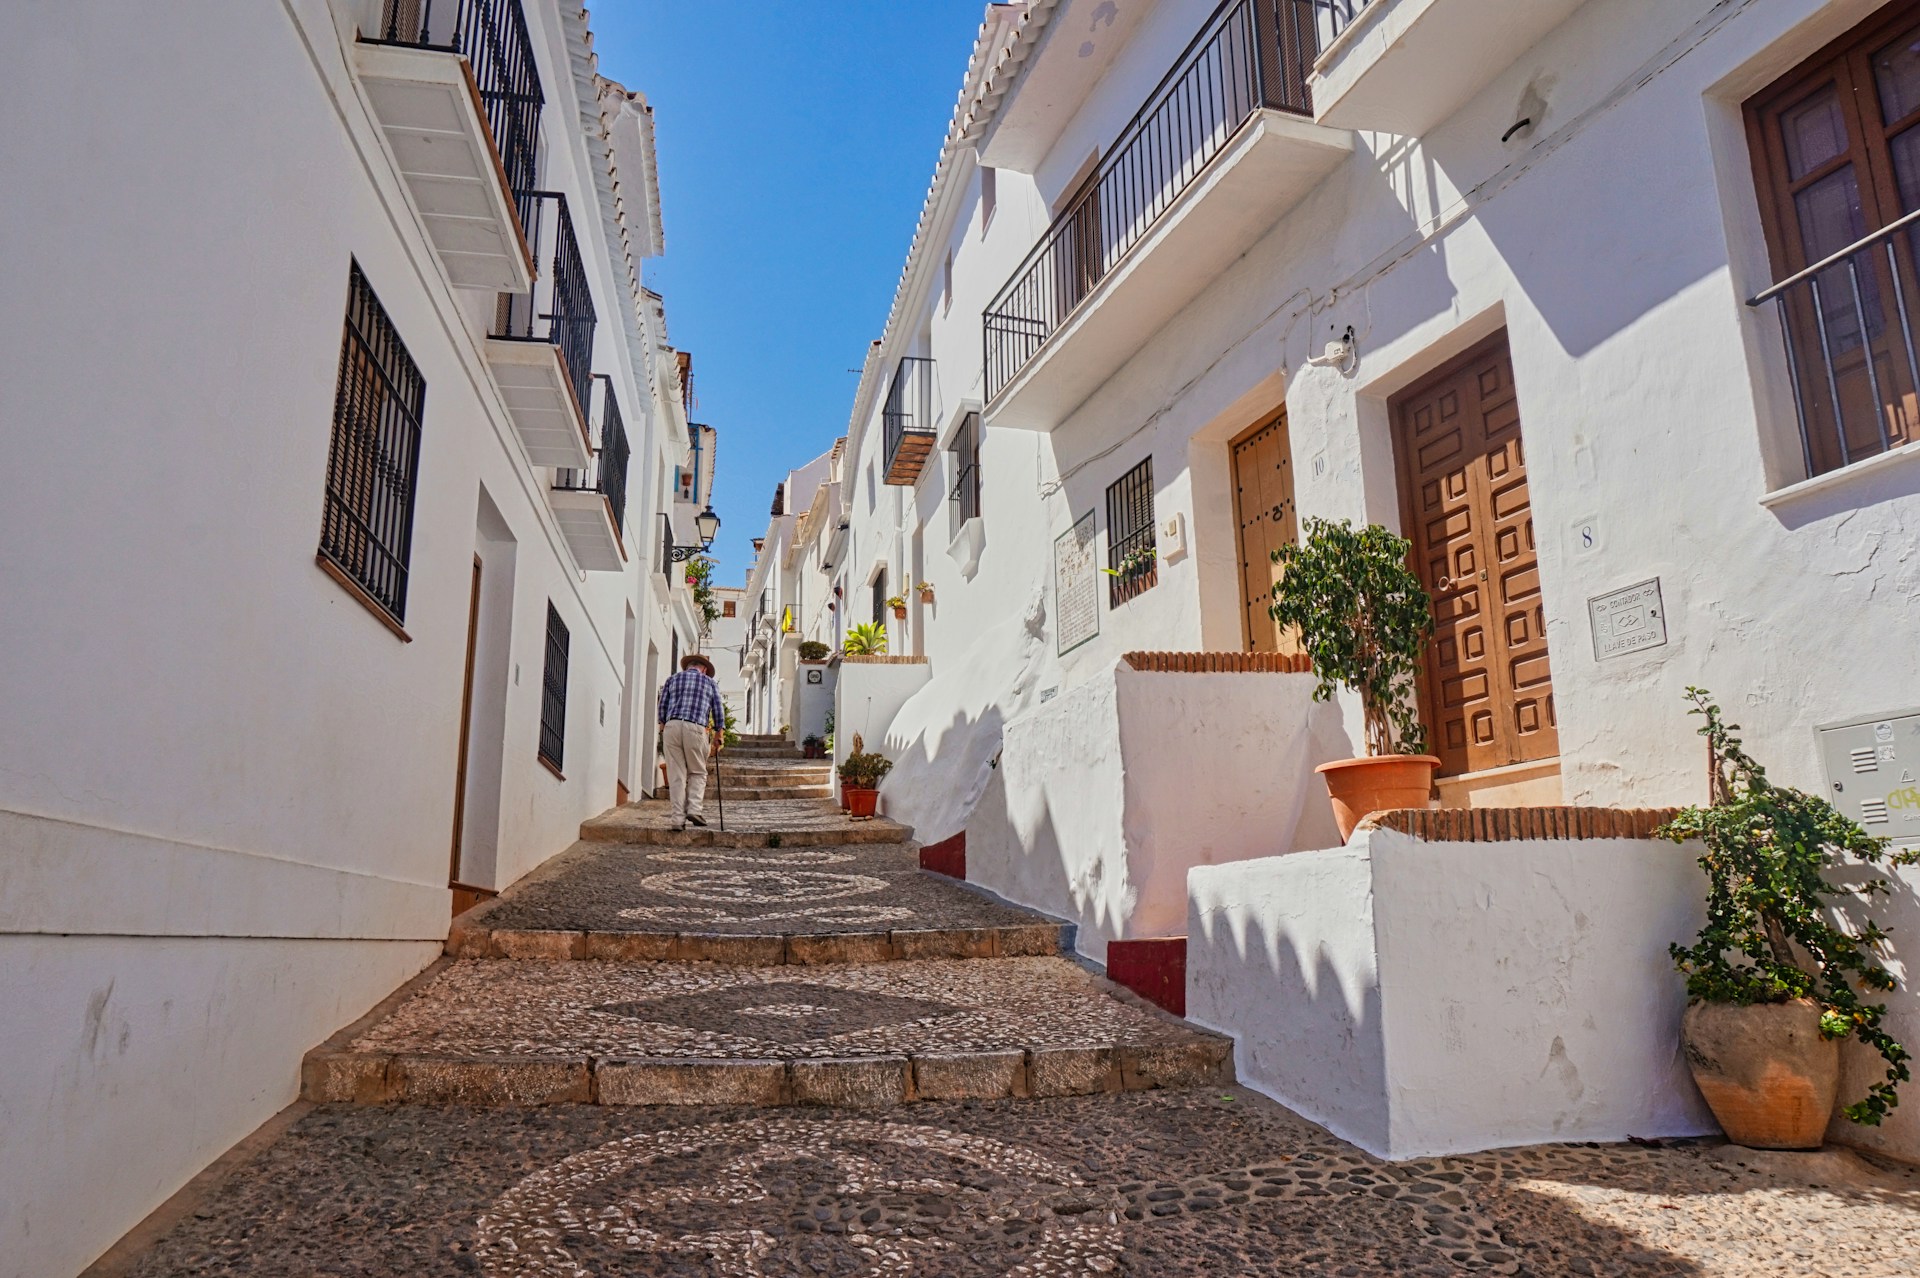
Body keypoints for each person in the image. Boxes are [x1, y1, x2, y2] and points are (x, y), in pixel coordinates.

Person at [656, 652, 725, 831]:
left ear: (688, 667)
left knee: (676, 775)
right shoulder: (709, 682)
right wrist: (719, 733)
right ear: (704, 669)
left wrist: (663, 727)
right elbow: (718, 708)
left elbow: (662, 707)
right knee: (698, 771)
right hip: (695, 727)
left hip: (672, 726)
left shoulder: (672, 679)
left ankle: (677, 820)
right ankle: (694, 809)